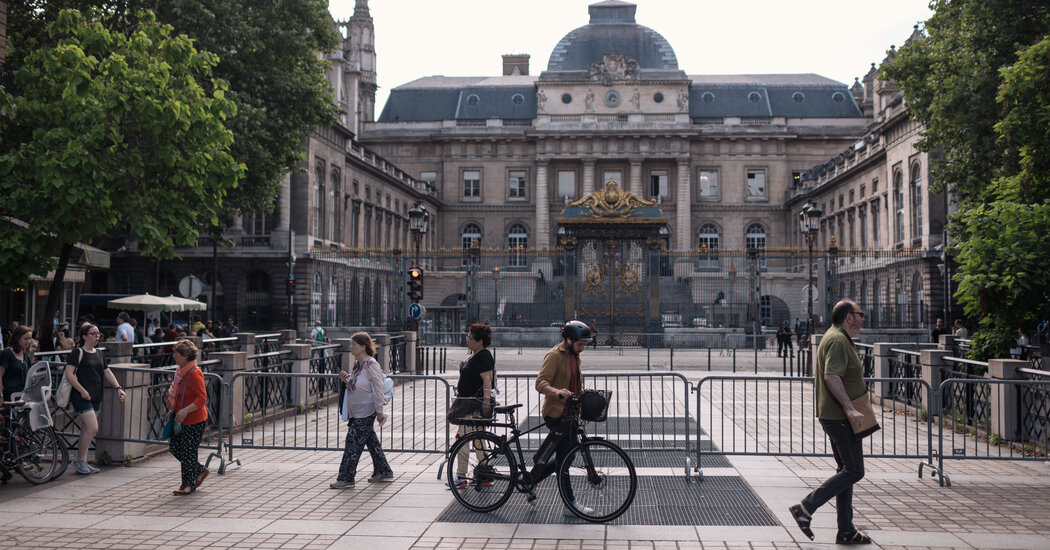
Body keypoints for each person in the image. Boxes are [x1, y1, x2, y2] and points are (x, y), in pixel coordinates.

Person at [789, 300, 871, 545]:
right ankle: (806, 506)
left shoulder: (838, 337)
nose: (863, 318)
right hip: (840, 417)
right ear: (849, 317)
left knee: (846, 470)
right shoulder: (836, 340)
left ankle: (846, 530)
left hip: (838, 416)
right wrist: (849, 408)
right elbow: (831, 376)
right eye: (860, 314)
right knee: (854, 470)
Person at [531, 320, 595, 517]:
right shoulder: (554, 356)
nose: (582, 348)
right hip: (557, 414)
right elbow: (540, 383)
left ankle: (529, 481)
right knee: (565, 461)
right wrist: (557, 392)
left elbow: (574, 382)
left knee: (565, 458)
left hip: (570, 414)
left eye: (584, 345)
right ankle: (570, 504)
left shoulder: (574, 356)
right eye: (580, 344)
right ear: (568, 340)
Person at [330, 332, 393, 489]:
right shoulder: (358, 365)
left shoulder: (372, 364)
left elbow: (378, 389)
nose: (350, 347)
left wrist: (379, 411)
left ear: (363, 347)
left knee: (352, 442)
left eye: (353, 344)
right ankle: (383, 470)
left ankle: (346, 478)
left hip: (366, 411)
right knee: (371, 441)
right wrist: (346, 379)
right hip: (357, 411)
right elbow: (357, 384)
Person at [65, 323, 127, 475]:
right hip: (81, 395)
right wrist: (82, 390)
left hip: (96, 395)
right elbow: (69, 374)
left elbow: (107, 372)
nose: (97, 336)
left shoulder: (99, 353)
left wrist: (118, 388)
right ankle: (79, 460)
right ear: (84, 336)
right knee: (93, 428)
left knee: (86, 429)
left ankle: (82, 461)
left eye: (98, 334)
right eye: (93, 334)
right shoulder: (77, 352)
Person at [449, 323, 495, 488]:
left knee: (463, 439)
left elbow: (487, 380)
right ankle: (485, 473)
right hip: (472, 405)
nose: (467, 340)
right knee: (479, 440)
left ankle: (461, 477)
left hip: (473, 407)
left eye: (470, 338)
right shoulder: (476, 354)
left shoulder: (483, 356)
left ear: (479, 341)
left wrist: (485, 403)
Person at [167, 339, 209, 495]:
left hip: (194, 420)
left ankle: (188, 485)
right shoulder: (181, 372)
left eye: (175, 353)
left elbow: (201, 398)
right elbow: (178, 395)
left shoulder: (194, 373)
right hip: (182, 418)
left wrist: (185, 411)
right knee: (176, 448)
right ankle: (200, 470)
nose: (173, 356)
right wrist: (173, 410)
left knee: (188, 452)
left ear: (184, 355)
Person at [1, 325, 33, 401]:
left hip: (23, 397)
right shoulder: (6, 354)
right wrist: (0, 396)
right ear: (17, 338)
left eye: (29, 339)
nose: (28, 341)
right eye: (25, 339)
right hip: (9, 397)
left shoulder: (25, 356)